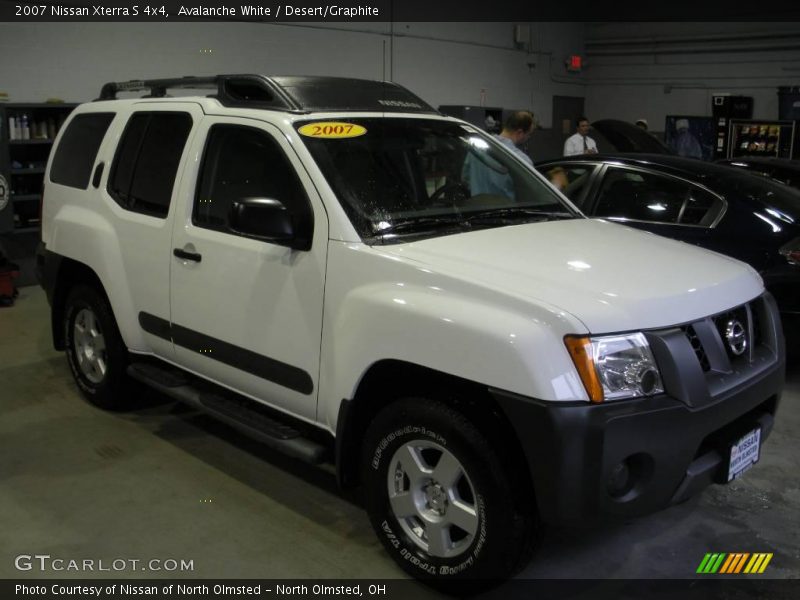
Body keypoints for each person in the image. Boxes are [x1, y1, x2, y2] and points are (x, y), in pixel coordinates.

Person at [461, 111, 535, 199]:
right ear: (520, 133)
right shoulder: (522, 160)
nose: (528, 138)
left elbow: (465, 179)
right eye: (529, 135)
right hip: (506, 211)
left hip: (477, 208)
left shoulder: (476, 149)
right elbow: (530, 194)